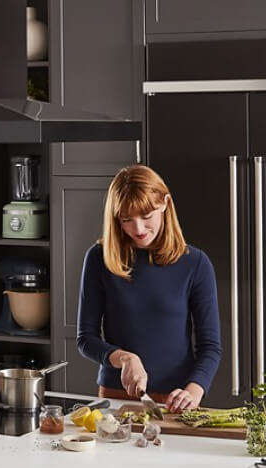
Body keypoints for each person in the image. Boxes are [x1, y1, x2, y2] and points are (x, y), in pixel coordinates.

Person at [76, 165, 222, 412]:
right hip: (116, 398)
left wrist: (194, 390)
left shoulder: (195, 263)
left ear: (164, 204)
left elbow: (210, 346)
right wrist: (125, 358)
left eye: (146, 217)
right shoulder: (99, 258)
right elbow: (86, 339)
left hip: (176, 401)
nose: (139, 229)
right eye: (126, 220)